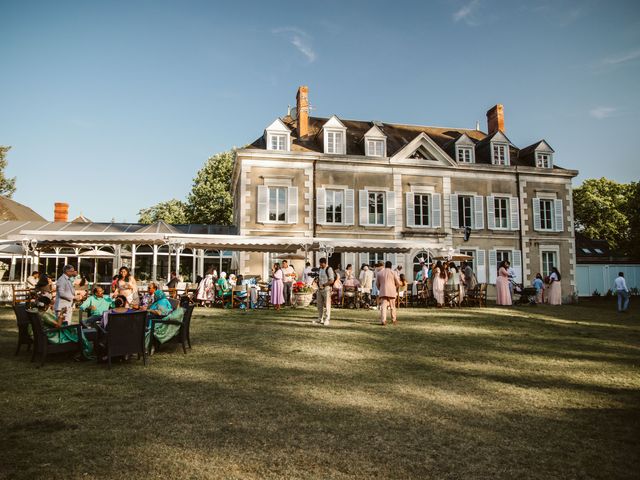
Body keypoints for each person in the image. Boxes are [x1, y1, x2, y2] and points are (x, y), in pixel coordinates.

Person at [376, 261, 401, 325]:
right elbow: (398, 283)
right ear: (391, 266)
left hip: (383, 291)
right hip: (392, 291)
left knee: (383, 307)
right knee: (393, 306)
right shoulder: (394, 272)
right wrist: (395, 287)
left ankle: (383, 320)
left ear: (385, 266)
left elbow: (377, 284)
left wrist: (380, 288)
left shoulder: (379, 273)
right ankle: (394, 320)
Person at [315, 258, 335, 326]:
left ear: (325, 263)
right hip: (319, 289)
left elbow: (331, 280)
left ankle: (327, 319)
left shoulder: (329, 269)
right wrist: (317, 280)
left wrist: (324, 285)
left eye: (322, 264)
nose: (320, 265)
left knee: (327, 304)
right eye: (320, 264)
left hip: (326, 288)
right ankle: (320, 318)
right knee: (319, 304)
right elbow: (319, 277)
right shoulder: (320, 269)